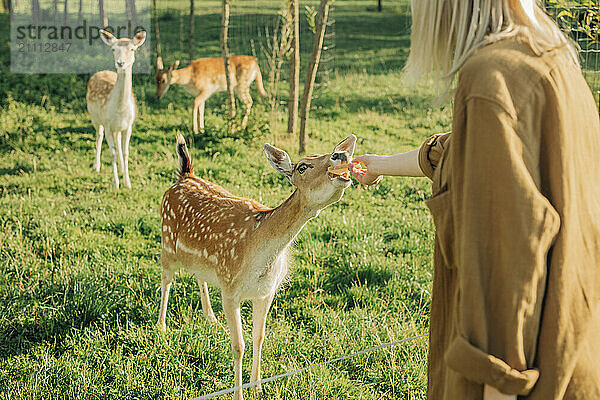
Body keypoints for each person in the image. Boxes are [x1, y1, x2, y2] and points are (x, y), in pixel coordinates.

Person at [350, 1, 600, 399]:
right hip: (576, 365)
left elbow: (508, 273)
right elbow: (459, 156)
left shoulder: (489, 78)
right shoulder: (553, 60)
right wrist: (377, 164)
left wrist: (497, 387)